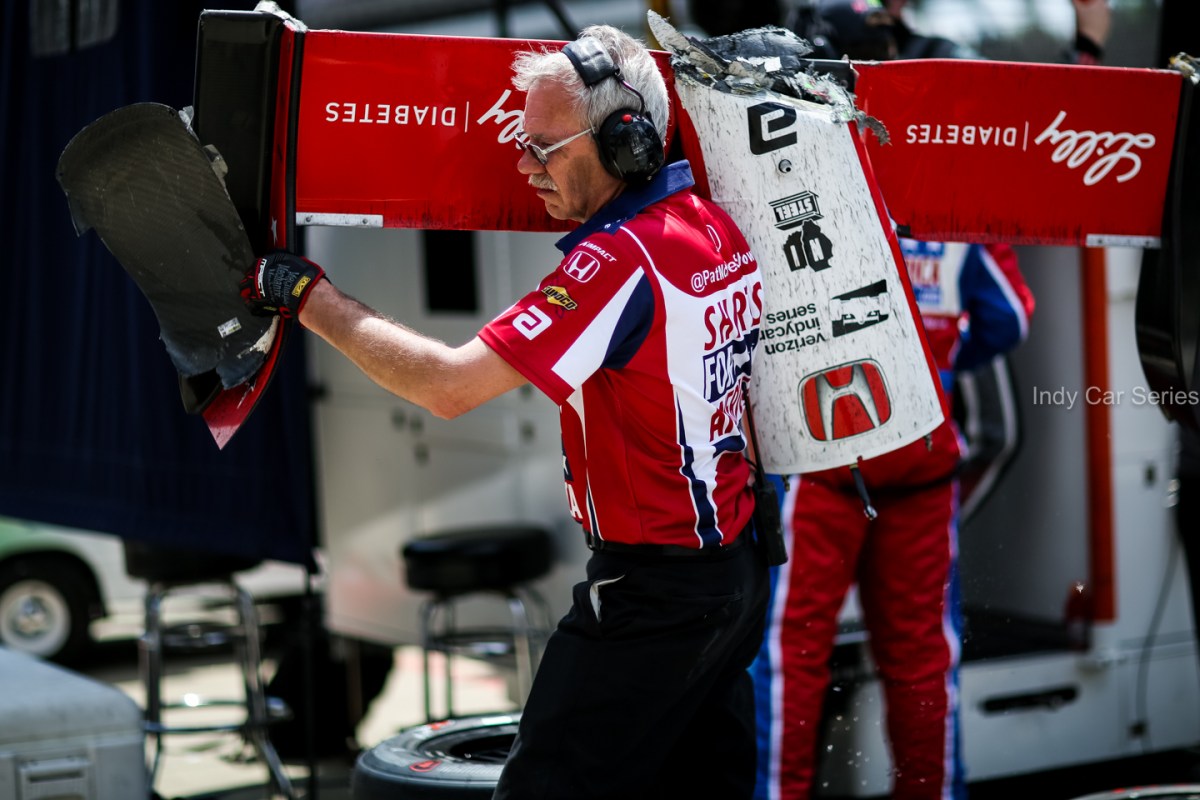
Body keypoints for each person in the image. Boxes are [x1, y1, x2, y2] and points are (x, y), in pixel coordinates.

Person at [240, 24, 771, 800]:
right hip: (735, 570)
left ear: (628, 144)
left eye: (543, 147)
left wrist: (307, 298)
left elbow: (447, 388)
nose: (524, 165)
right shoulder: (712, 224)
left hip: (655, 591)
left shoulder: (619, 259)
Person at [749, 2, 1100, 798]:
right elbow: (1008, 319)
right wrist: (931, 368)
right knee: (919, 659)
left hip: (821, 453)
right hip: (920, 451)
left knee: (790, 660)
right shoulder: (952, 198)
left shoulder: (794, 185)